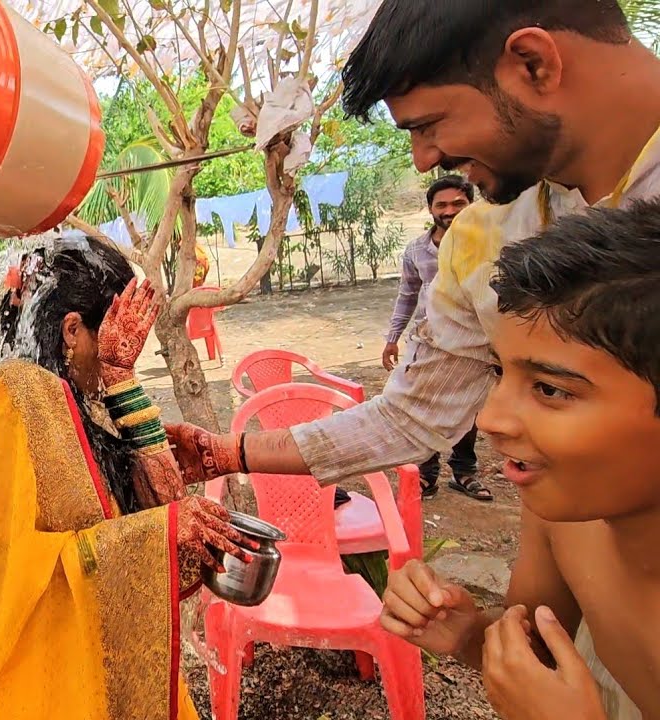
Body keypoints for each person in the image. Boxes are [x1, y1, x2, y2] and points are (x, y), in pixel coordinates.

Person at [165, 0, 660, 505]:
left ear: (533, 63)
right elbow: (414, 413)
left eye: (429, 126)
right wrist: (229, 453)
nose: (424, 161)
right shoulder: (484, 234)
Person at [379, 201, 660, 719]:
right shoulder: (564, 520)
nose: (489, 420)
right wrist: (468, 636)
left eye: (550, 388)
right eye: (498, 372)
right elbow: (531, 646)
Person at [0, 238, 246, 720]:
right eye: (109, 338)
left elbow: (163, 509)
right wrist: (156, 533)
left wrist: (120, 377)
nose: (121, 351)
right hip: (46, 679)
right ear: (72, 329)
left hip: (103, 652)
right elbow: (9, 572)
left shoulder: (76, 398)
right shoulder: (9, 400)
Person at [381, 175, 487, 501]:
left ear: (471, 205)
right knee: (423, 408)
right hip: (429, 342)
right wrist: (392, 338)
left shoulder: (487, 244)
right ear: (430, 209)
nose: (450, 210)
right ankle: (427, 475)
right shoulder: (417, 251)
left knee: (468, 411)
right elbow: (407, 296)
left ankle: (464, 472)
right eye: (442, 204)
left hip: (474, 343)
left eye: (458, 203)